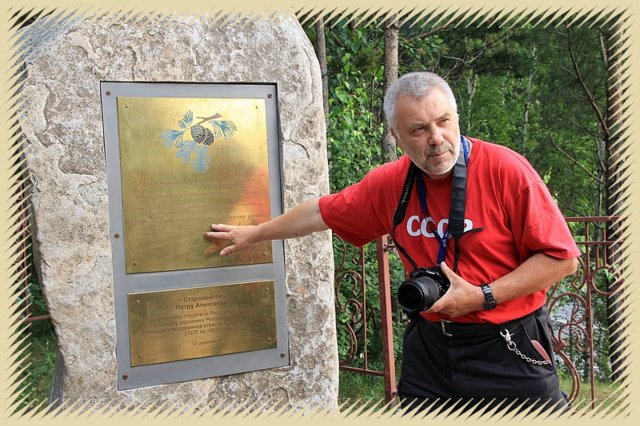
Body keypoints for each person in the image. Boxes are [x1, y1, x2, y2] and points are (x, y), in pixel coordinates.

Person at [204, 71, 580, 415]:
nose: (436, 139)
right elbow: (319, 212)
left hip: (506, 345)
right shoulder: (391, 183)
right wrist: (254, 233)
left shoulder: (505, 170)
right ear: (396, 136)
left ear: (456, 119)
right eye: (418, 129)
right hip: (430, 348)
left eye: (444, 122)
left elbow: (562, 258)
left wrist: (483, 295)